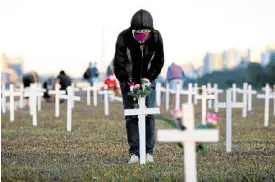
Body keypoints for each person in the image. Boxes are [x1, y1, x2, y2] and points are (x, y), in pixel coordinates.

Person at [113, 9, 164, 164]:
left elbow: (158, 61)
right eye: (139, 34)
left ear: (150, 31)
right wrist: (128, 82)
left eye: (145, 34)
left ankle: (148, 151)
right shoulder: (123, 38)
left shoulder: (156, 37)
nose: (142, 38)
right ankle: (134, 153)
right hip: (128, 81)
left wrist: (148, 78)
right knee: (131, 115)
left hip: (148, 81)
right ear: (133, 31)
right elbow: (118, 64)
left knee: (149, 114)